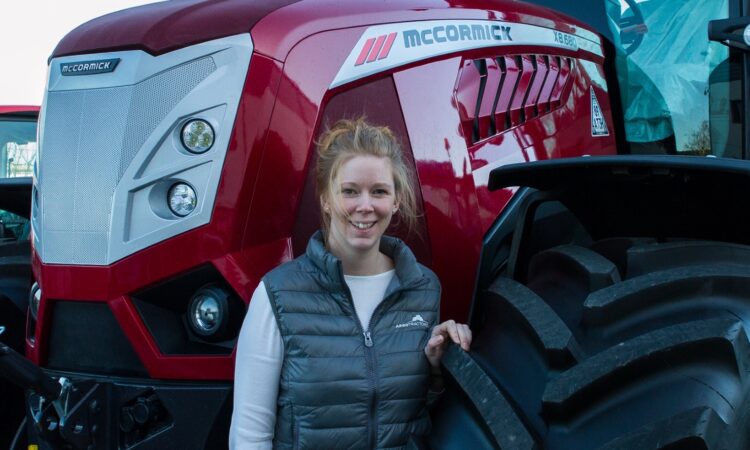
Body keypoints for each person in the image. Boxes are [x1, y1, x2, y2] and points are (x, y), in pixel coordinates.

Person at [229, 118, 472, 449]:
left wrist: (440, 369)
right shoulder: (278, 294)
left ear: (396, 200)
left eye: (379, 191)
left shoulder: (422, 288)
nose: (365, 206)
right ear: (326, 199)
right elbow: (249, 436)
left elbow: (419, 416)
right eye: (350, 191)